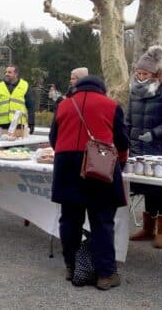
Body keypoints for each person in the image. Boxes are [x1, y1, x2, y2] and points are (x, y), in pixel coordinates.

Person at [49, 75, 129, 290]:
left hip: (66, 165)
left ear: (76, 88)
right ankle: (105, 275)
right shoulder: (111, 105)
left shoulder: (64, 105)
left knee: (69, 220)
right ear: (101, 89)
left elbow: (53, 139)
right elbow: (122, 141)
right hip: (98, 165)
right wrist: (120, 163)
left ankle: (71, 267)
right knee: (102, 221)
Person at [127, 45, 162, 249]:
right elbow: (129, 119)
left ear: (156, 73)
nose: (140, 76)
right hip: (139, 148)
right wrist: (126, 137)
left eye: (144, 73)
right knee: (146, 188)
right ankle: (148, 228)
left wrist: (155, 133)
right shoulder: (134, 90)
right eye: (138, 72)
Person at [0, 65, 35, 134]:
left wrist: (31, 123)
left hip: (19, 124)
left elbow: (31, 106)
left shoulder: (24, 85)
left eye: (9, 72)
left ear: (16, 74)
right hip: (3, 124)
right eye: (6, 72)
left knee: (18, 144)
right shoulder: (0, 86)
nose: (6, 74)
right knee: (4, 144)